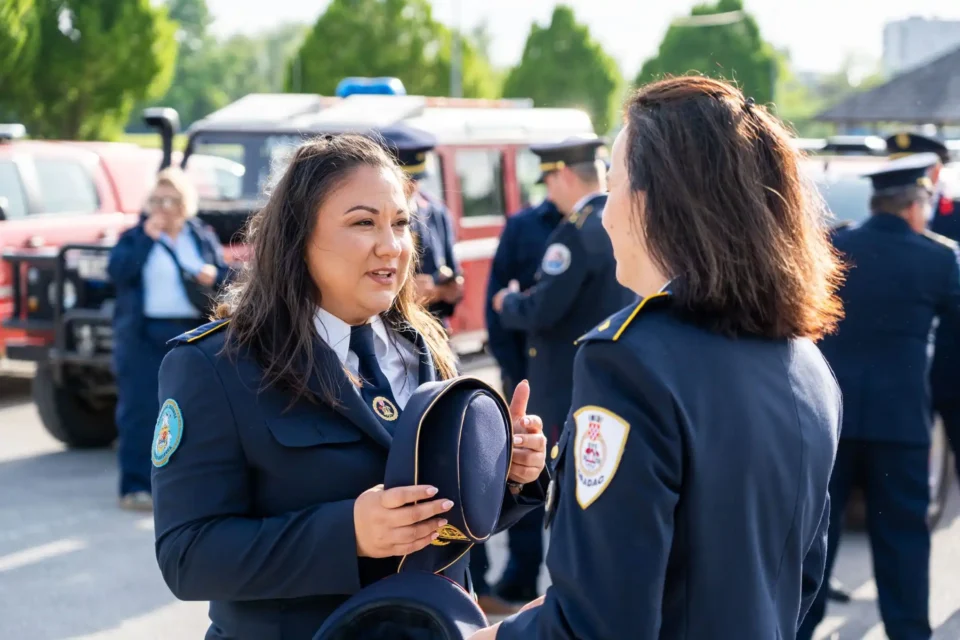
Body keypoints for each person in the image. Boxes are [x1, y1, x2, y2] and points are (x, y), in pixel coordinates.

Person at [473, 76, 846, 639]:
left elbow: (597, 625)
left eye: (615, 186)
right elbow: (800, 581)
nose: (603, 214)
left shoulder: (629, 362)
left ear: (651, 202)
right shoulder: (807, 364)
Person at [149, 133, 548, 640]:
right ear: (297, 236)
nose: (392, 246)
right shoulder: (216, 364)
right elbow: (187, 556)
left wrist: (507, 473)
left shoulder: (424, 343)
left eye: (401, 223)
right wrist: (349, 533)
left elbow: (444, 523)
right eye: (364, 222)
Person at [798, 152, 960, 640]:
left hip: (832, 421)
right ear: (916, 205)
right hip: (902, 426)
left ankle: (799, 629)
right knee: (904, 543)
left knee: (813, 540)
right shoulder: (938, 258)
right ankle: (909, 632)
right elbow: (952, 355)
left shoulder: (834, 246)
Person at [490, 138, 633, 605]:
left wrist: (508, 301)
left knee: (560, 500)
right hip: (612, 386)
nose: (548, 194)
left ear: (562, 176)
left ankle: (568, 606)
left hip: (564, 389)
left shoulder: (577, 231)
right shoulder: (626, 220)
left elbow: (543, 309)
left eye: (549, 182)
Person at [106, 167, 229, 511]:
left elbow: (223, 276)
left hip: (189, 331)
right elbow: (118, 272)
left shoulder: (199, 235)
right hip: (143, 334)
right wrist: (147, 238)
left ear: (185, 203)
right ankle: (135, 486)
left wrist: (213, 274)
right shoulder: (135, 236)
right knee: (140, 409)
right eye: (158, 200)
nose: (165, 207)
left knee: (192, 409)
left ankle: (187, 486)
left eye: (173, 199)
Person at [475, 197, 563, 614]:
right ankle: (523, 575)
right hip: (531, 381)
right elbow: (495, 301)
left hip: (583, 386)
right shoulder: (525, 226)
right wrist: (514, 373)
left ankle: (563, 586)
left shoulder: (592, 226)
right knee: (525, 473)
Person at [887, 132, 960, 489]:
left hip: (951, 367)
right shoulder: (875, 226)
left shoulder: (956, 215)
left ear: (934, 171)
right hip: (897, 373)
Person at [396, 143, 464, 329]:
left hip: (434, 327)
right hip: (395, 329)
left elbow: (453, 275)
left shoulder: (436, 213)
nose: (412, 186)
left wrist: (444, 290)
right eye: (406, 179)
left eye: (417, 179)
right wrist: (405, 292)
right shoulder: (374, 219)